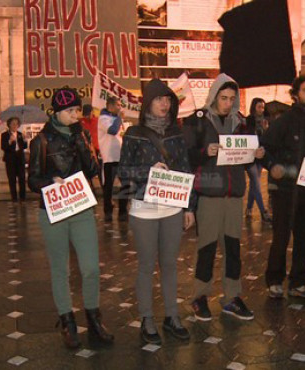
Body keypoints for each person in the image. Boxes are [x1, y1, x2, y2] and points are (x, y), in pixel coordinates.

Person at [28, 88, 113, 349]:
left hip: (81, 207)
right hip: (53, 210)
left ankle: (94, 318)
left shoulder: (82, 134)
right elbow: (32, 179)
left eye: (77, 110)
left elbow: (92, 170)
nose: (75, 115)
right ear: (56, 112)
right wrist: (49, 181)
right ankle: (67, 321)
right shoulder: (41, 141)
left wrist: (82, 143)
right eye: (70, 111)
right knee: (60, 268)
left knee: (90, 268)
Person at [119, 79, 196, 344]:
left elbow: (186, 169)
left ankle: (172, 315)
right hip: (144, 208)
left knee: (170, 264)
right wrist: (149, 171)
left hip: (173, 206)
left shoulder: (177, 132)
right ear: (148, 102)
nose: (165, 104)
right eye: (159, 99)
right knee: (145, 265)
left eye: (168, 100)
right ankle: (147, 318)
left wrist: (188, 206)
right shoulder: (134, 133)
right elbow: (123, 172)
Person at [183, 73, 264, 321]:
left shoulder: (240, 122)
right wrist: (204, 151)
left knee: (232, 249)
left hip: (234, 195)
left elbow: (246, 152)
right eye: (223, 98)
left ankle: (231, 296)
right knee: (206, 247)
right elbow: (186, 157)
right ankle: (199, 296)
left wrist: (256, 153)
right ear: (214, 96)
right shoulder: (197, 121)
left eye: (231, 98)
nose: (227, 103)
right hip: (209, 194)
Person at [261, 74, 305, 299]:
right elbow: (265, 148)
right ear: (296, 94)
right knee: (281, 237)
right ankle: (274, 280)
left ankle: (299, 282)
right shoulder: (285, 120)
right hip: (285, 190)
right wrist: (273, 166)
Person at [98, 96, 129, 222]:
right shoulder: (103, 118)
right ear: (110, 106)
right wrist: (120, 118)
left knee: (126, 184)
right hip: (110, 158)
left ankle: (122, 211)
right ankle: (108, 211)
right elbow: (112, 130)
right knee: (109, 187)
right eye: (117, 105)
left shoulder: (117, 119)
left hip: (121, 157)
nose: (120, 107)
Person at [245, 97, 270, 222]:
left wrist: (266, 130)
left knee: (254, 184)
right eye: (259, 106)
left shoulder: (265, 121)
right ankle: (263, 211)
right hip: (250, 156)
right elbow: (247, 136)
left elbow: (267, 139)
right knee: (256, 182)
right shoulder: (248, 120)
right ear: (254, 106)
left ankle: (249, 208)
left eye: (263, 107)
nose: (261, 109)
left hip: (260, 155)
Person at [1, 117, 27, 202]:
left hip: (20, 159)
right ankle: (14, 198)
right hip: (10, 160)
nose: (15, 125)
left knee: (22, 179)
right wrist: (9, 142)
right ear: (9, 125)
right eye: (13, 124)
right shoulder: (5, 135)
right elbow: (3, 147)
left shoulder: (20, 134)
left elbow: (24, 147)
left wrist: (25, 140)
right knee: (12, 179)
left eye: (16, 124)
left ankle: (23, 198)